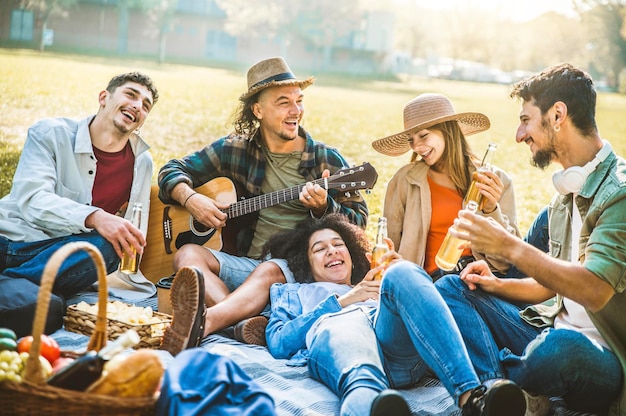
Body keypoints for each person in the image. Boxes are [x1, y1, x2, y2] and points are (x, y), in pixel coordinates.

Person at [435, 63, 625, 416]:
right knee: (452, 288)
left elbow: (594, 290)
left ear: (557, 114)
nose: (519, 135)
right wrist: (493, 284)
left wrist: (507, 245)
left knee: (557, 348)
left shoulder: (619, 195)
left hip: (603, 359)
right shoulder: (566, 194)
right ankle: (498, 396)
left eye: (526, 120)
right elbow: (549, 288)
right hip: (550, 330)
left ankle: (504, 379)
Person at [158, 57, 368, 355]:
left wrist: (324, 208)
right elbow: (171, 170)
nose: (296, 111)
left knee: (269, 269)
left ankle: (205, 323)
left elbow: (358, 223)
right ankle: (242, 324)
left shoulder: (326, 160)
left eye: (299, 101)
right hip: (248, 264)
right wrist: (191, 198)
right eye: (284, 102)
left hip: (296, 268)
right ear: (258, 110)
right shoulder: (236, 149)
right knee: (187, 255)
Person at [261, 213, 527, 416]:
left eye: (338, 244)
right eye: (319, 249)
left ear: (353, 256)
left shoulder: (374, 281)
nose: (331, 250)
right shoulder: (294, 293)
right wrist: (342, 302)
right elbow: (279, 341)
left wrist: (402, 280)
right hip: (343, 333)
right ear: (305, 263)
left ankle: (471, 396)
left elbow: (422, 313)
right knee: (350, 336)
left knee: (403, 272)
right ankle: (372, 404)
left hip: (395, 348)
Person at [0, 72, 159, 337]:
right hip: (11, 240)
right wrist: (95, 216)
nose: (137, 105)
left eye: (146, 105)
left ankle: (17, 287)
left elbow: (131, 229)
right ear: (103, 98)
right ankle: (26, 290)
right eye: (130, 94)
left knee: (111, 245)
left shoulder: (141, 162)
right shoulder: (50, 133)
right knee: (49, 305)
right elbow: (32, 200)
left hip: (62, 255)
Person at [371, 93, 520, 279]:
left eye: (423, 136)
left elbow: (507, 262)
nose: (416, 146)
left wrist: (491, 210)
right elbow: (389, 245)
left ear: (448, 131)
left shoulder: (494, 180)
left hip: (479, 281)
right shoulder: (405, 181)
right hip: (428, 284)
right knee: (449, 283)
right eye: (411, 139)